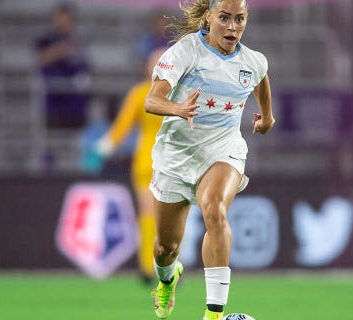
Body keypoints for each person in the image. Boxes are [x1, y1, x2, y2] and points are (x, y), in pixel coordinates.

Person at [144, 1, 274, 319]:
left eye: (239, 19)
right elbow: (152, 98)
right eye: (225, 18)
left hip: (223, 149)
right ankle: (167, 278)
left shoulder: (252, 61)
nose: (232, 27)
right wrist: (177, 109)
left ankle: (213, 313)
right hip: (177, 154)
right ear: (209, 17)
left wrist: (267, 117)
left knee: (214, 209)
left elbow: (261, 78)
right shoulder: (186, 52)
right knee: (165, 249)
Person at [92, 47, 167, 283]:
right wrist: (105, 145)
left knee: (169, 220)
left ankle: (167, 267)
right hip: (149, 163)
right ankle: (147, 268)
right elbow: (122, 125)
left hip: (173, 163)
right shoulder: (140, 94)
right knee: (149, 215)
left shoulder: (175, 93)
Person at [35, 2, 91, 129]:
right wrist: (60, 50)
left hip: (76, 103)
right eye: (61, 18)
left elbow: (86, 66)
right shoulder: (46, 39)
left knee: (76, 142)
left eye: (69, 19)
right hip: (54, 101)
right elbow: (40, 59)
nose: (64, 23)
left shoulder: (78, 40)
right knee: (54, 142)